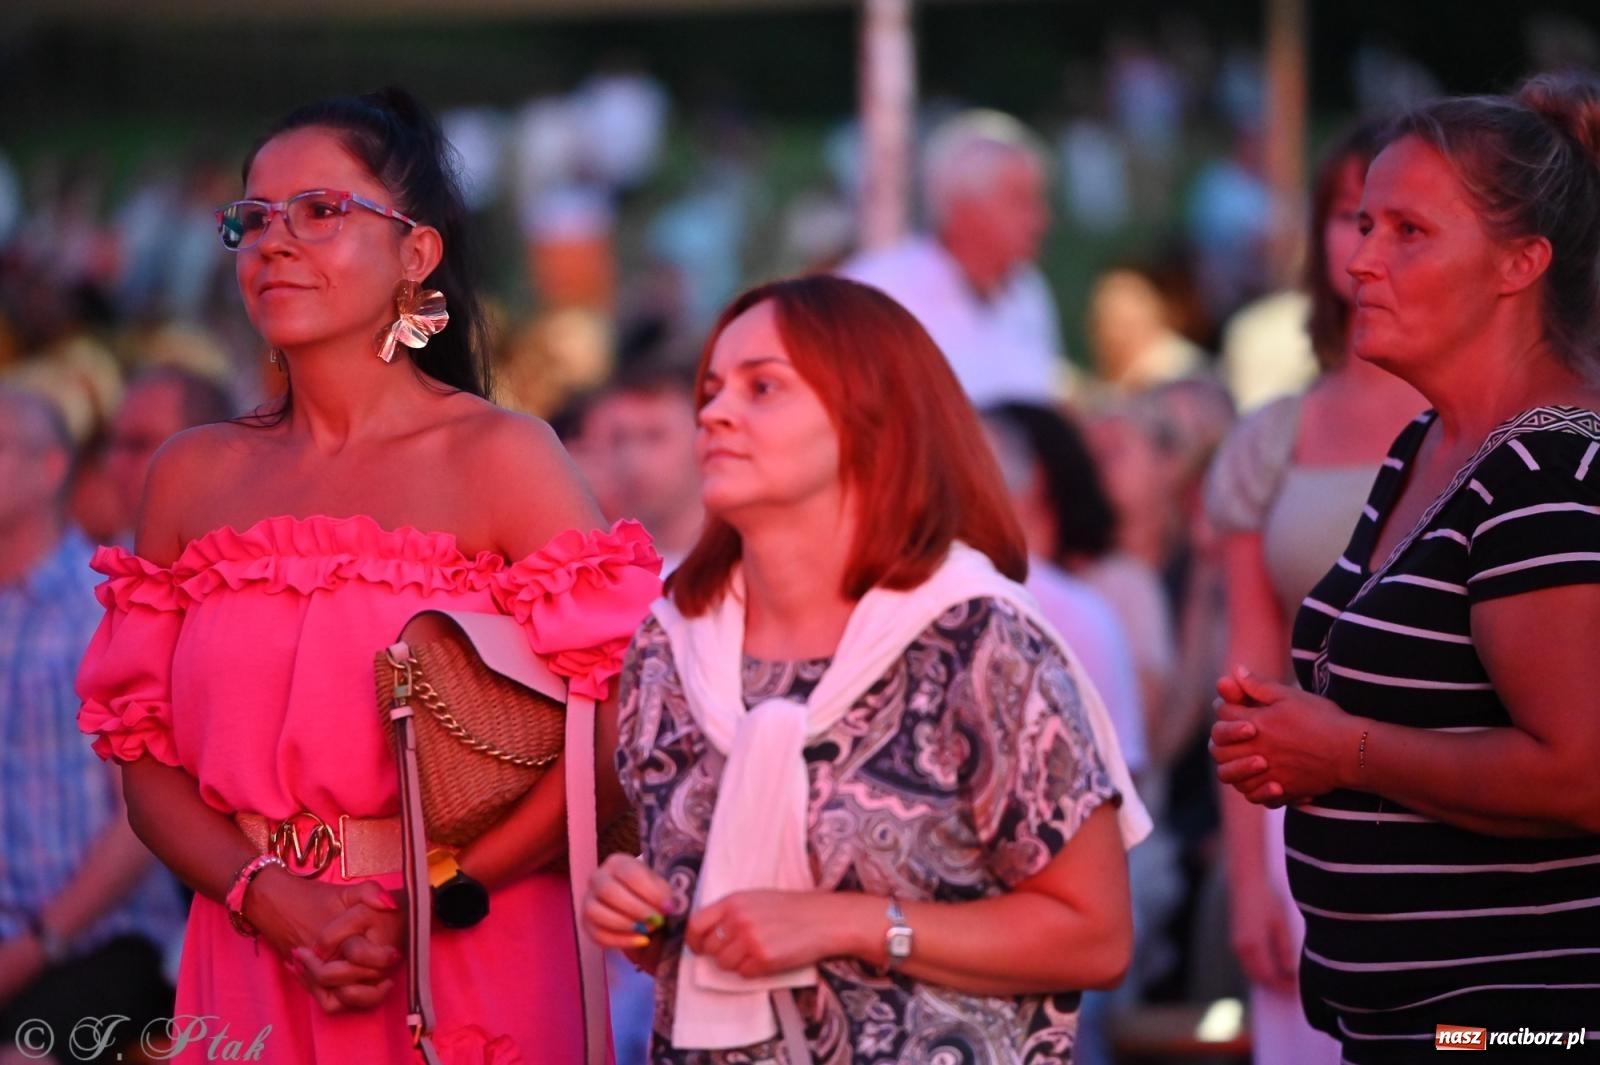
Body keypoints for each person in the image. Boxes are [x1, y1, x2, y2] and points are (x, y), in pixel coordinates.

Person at [75, 88, 662, 1064]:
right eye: (252, 218)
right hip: (255, 951)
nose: (274, 241)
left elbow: (614, 721)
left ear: (417, 254)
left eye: (320, 210)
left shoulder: (503, 459)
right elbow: (143, 759)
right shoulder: (190, 474)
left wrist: (429, 902)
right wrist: (270, 898)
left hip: (471, 944)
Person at [582, 275, 1149, 1063]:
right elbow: (686, 936)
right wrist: (638, 915)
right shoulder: (670, 647)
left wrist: (846, 920)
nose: (712, 412)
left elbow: (1096, 933)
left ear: (869, 422)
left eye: (764, 387)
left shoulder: (973, 639)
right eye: (711, 390)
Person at [1210, 72, 1600, 1061]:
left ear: (1520, 262)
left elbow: (1582, 773)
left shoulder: (1548, 471)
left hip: (1518, 1027)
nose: (1359, 263)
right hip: (1410, 1029)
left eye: (1406, 232)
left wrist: (1339, 753)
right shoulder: (1430, 445)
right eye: (1361, 224)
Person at [1204, 119, 1422, 1065]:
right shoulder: (1270, 439)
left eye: (1402, 222)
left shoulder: (1516, 421)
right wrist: (1250, 879)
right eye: (1349, 215)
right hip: (1316, 834)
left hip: (1483, 831)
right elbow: (1248, 670)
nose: (1368, 244)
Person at [0, 387, 185, 1063]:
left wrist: (37, 944)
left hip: (103, 936)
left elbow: (141, 817)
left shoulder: (100, 606)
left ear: (50, 468)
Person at [840, 110, 1066, 407]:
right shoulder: (878, 292)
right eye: (1020, 200)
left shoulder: (1029, 291)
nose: (1041, 220)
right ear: (963, 209)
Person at [101, 366, 236, 547]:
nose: (113, 464)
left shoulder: (256, 566)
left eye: (139, 445)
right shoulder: (98, 567)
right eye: (113, 444)